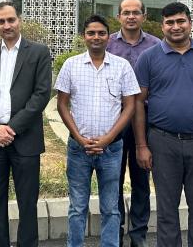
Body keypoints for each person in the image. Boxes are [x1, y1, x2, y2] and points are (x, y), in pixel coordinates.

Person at [133, 2, 193, 247]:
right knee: (166, 210)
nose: (175, 27)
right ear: (162, 25)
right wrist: (141, 145)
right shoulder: (148, 58)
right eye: (170, 22)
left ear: (190, 23)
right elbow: (138, 103)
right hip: (162, 142)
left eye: (180, 21)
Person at [55, 14, 139, 247]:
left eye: (101, 33)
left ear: (108, 37)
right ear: (84, 36)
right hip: (78, 148)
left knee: (111, 207)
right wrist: (80, 138)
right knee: (77, 206)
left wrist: (109, 138)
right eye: (91, 33)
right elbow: (62, 104)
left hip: (111, 149)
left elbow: (130, 104)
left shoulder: (122, 66)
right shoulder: (71, 65)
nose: (96, 37)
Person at [0, 2, 52, 247]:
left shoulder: (38, 52)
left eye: (11, 20)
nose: (6, 25)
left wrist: (12, 128)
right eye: (1, 21)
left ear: (19, 20)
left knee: (27, 204)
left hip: (25, 139)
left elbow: (41, 95)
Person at [105, 0, 160, 247]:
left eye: (136, 12)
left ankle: (138, 236)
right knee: (112, 179)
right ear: (119, 17)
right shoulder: (106, 44)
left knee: (141, 180)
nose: (131, 17)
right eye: (126, 12)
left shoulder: (156, 46)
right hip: (114, 120)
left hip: (145, 120)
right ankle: (114, 233)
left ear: (144, 16)